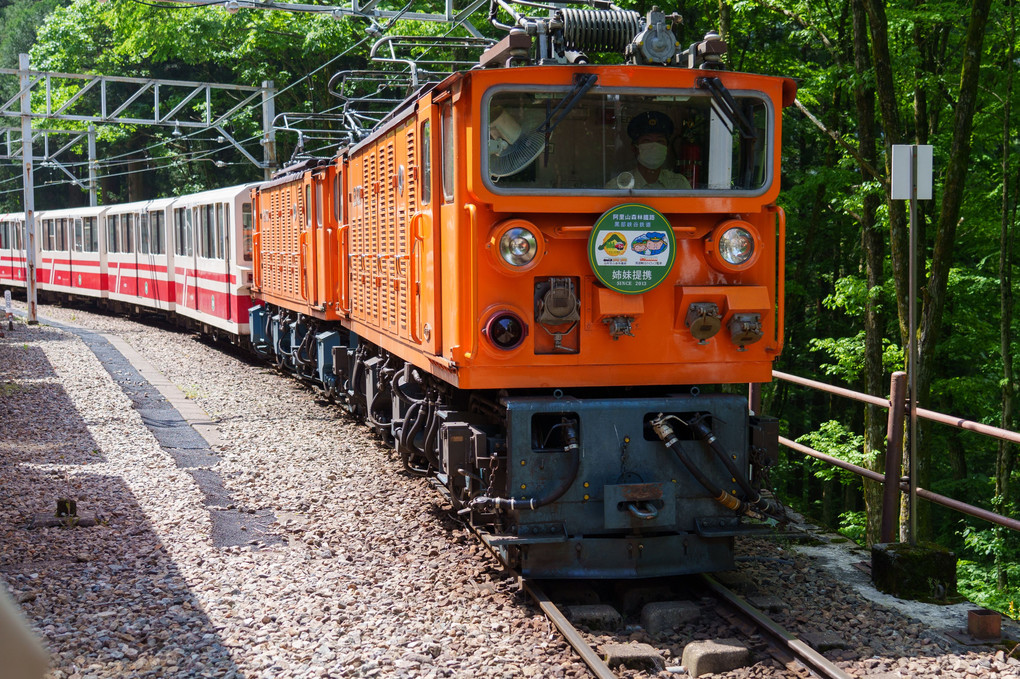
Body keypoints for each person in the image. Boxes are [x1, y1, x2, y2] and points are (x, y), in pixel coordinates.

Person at [606, 111, 691, 190]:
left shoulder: (679, 184)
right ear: (634, 148)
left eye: (659, 141)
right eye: (647, 140)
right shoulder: (618, 186)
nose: (654, 146)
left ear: (667, 148)